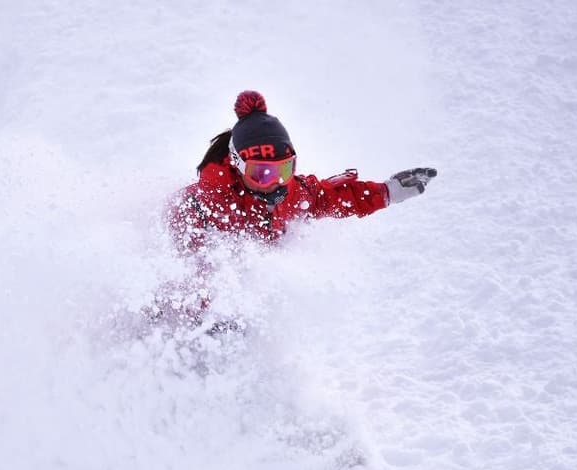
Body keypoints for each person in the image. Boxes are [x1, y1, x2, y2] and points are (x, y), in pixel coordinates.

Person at [153, 90, 436, 327]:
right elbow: (183, 267)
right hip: (191, 307)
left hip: (239, 305)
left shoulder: (288, 192)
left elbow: (330, 197)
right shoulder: (206, 204)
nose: (274, 183)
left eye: (285, 169)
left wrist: (387, 192)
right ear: (238, 167)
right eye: (261, 174)